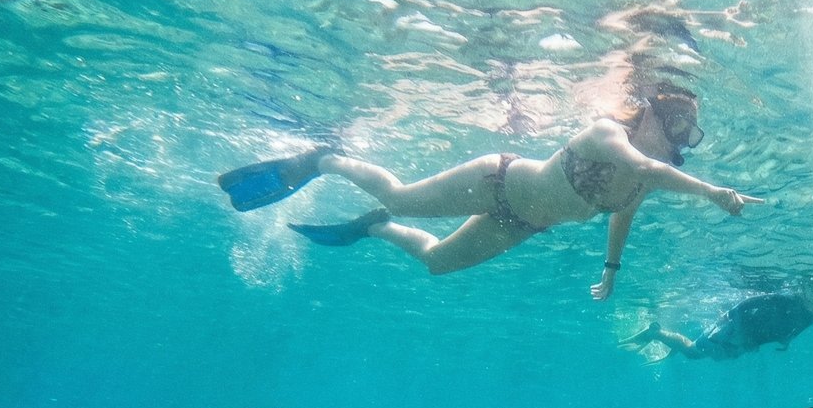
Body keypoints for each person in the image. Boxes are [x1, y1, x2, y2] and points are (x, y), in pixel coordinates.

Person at [217, 82, 762, 300]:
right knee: (406, 196)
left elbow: (622, 218)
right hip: (496, 179)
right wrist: (712, 191)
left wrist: (610, 271)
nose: (686, 144)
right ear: (654, 116)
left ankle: (374, 226)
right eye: (683, 129)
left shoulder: (643, 177)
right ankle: (325, 159)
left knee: (436, 263)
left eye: (692, 135)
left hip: (522, 222)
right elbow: (647, 164)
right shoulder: (607, 134)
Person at [627, 280, 813, 360]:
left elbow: (794, 331)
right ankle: (656, 332)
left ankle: (673, 343)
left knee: (699, 353)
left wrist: (787, 341)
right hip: (735, 328)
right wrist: (729, 316)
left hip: (747, 339)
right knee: (694, 353)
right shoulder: (789, 299)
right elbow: (751, 302)